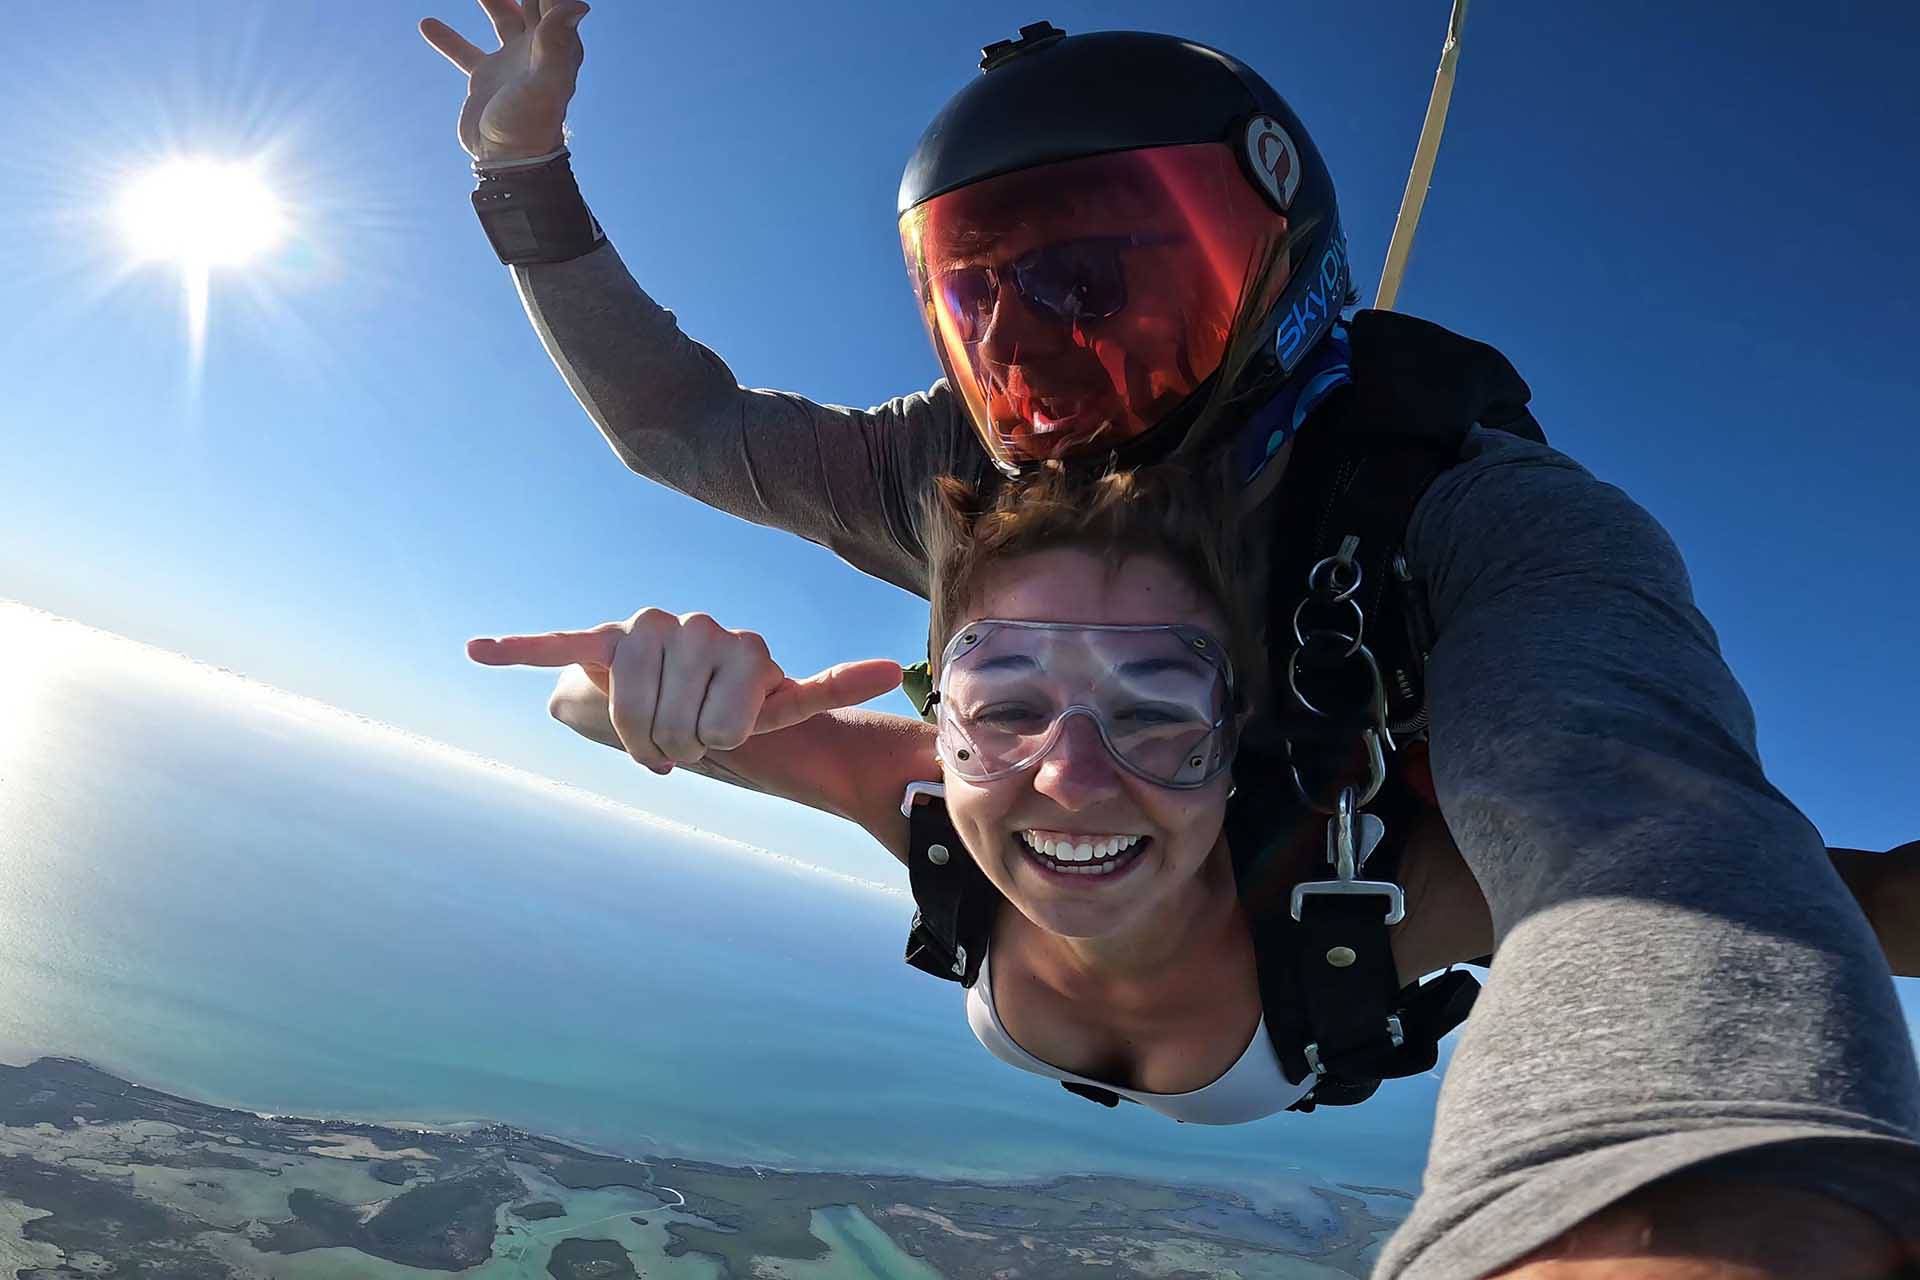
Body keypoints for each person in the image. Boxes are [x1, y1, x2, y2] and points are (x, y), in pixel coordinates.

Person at [427, 5, 1920, 1274]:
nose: (1026, 351)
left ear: (1271, 258)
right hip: (1225, 932)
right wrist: (519, 169)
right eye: (979, 292)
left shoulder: (1461, 518)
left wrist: (1679, 1185)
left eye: (1089, 279)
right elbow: (679, 430)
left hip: (1316, 901)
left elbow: (1631, 828)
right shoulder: (955, 479)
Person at [472, 462, 1919, 1277]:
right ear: (942, 719)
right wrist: (667, 693)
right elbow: (579, 709)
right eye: (1010, 705)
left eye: (1159, 711)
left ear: (1239, 745)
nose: (1073, 777)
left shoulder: (1367, 893)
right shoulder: (912, 791)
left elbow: (1734, 907)